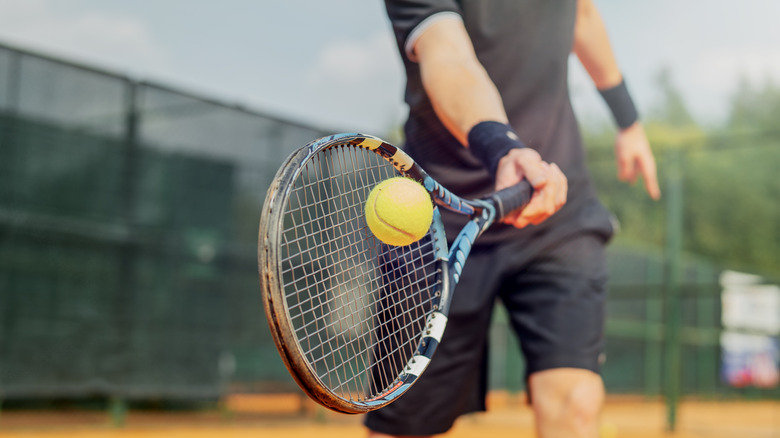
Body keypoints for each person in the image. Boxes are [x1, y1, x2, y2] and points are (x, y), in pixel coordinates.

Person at [365, 1, 660, 437]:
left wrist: (628, 119)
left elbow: (581, 14)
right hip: (436, 220)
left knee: (575, 404)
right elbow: (447, 53)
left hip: (557, 207)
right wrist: (501, 146)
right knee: (406, 428)